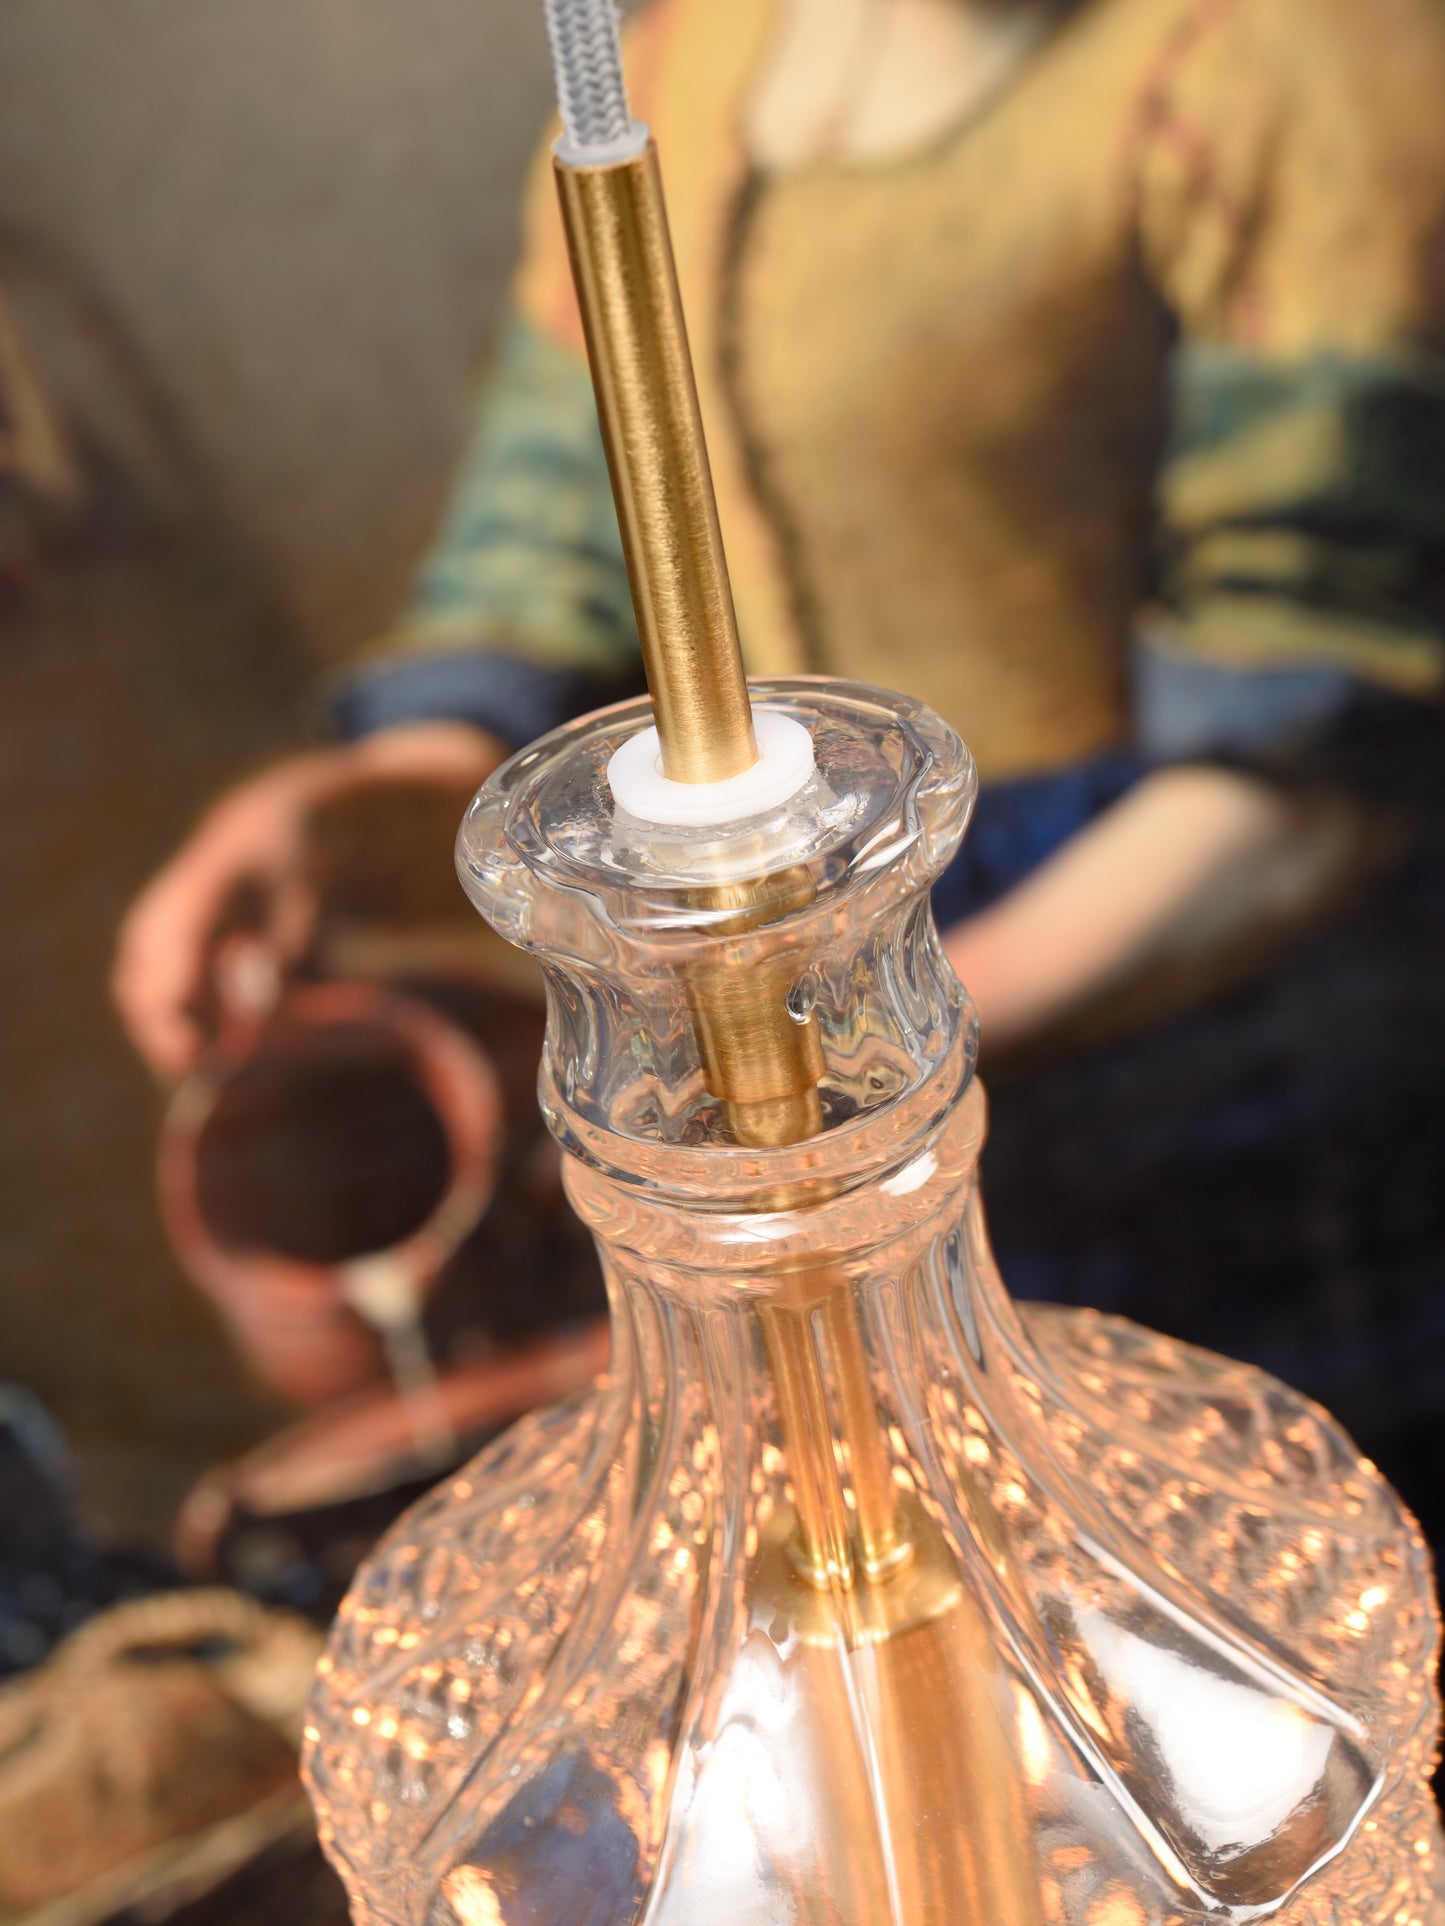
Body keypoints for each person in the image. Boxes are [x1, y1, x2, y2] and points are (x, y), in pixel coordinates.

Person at [116, 0, 1445, 1527]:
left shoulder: (1293, 59)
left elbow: (1317, 755)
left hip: (1220, 1062)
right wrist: (363, 815)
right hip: (818, 1036)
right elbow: (559, 522)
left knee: (1254, 1562)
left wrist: (826, 1069)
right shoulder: (687, 56)